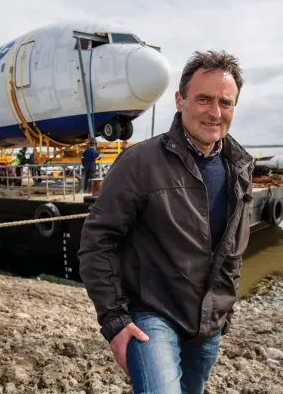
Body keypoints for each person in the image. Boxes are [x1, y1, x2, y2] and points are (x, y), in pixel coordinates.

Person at [78, 50, 254, 394]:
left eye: (225, 102)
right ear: (180, 100)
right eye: (203, 99)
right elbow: (97, 241)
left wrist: (223, 311)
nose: (214, 112)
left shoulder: (240, 169)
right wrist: (114, 321)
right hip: (151, 315)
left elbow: (233, 250)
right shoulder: (139, 162)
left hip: (207, 324)